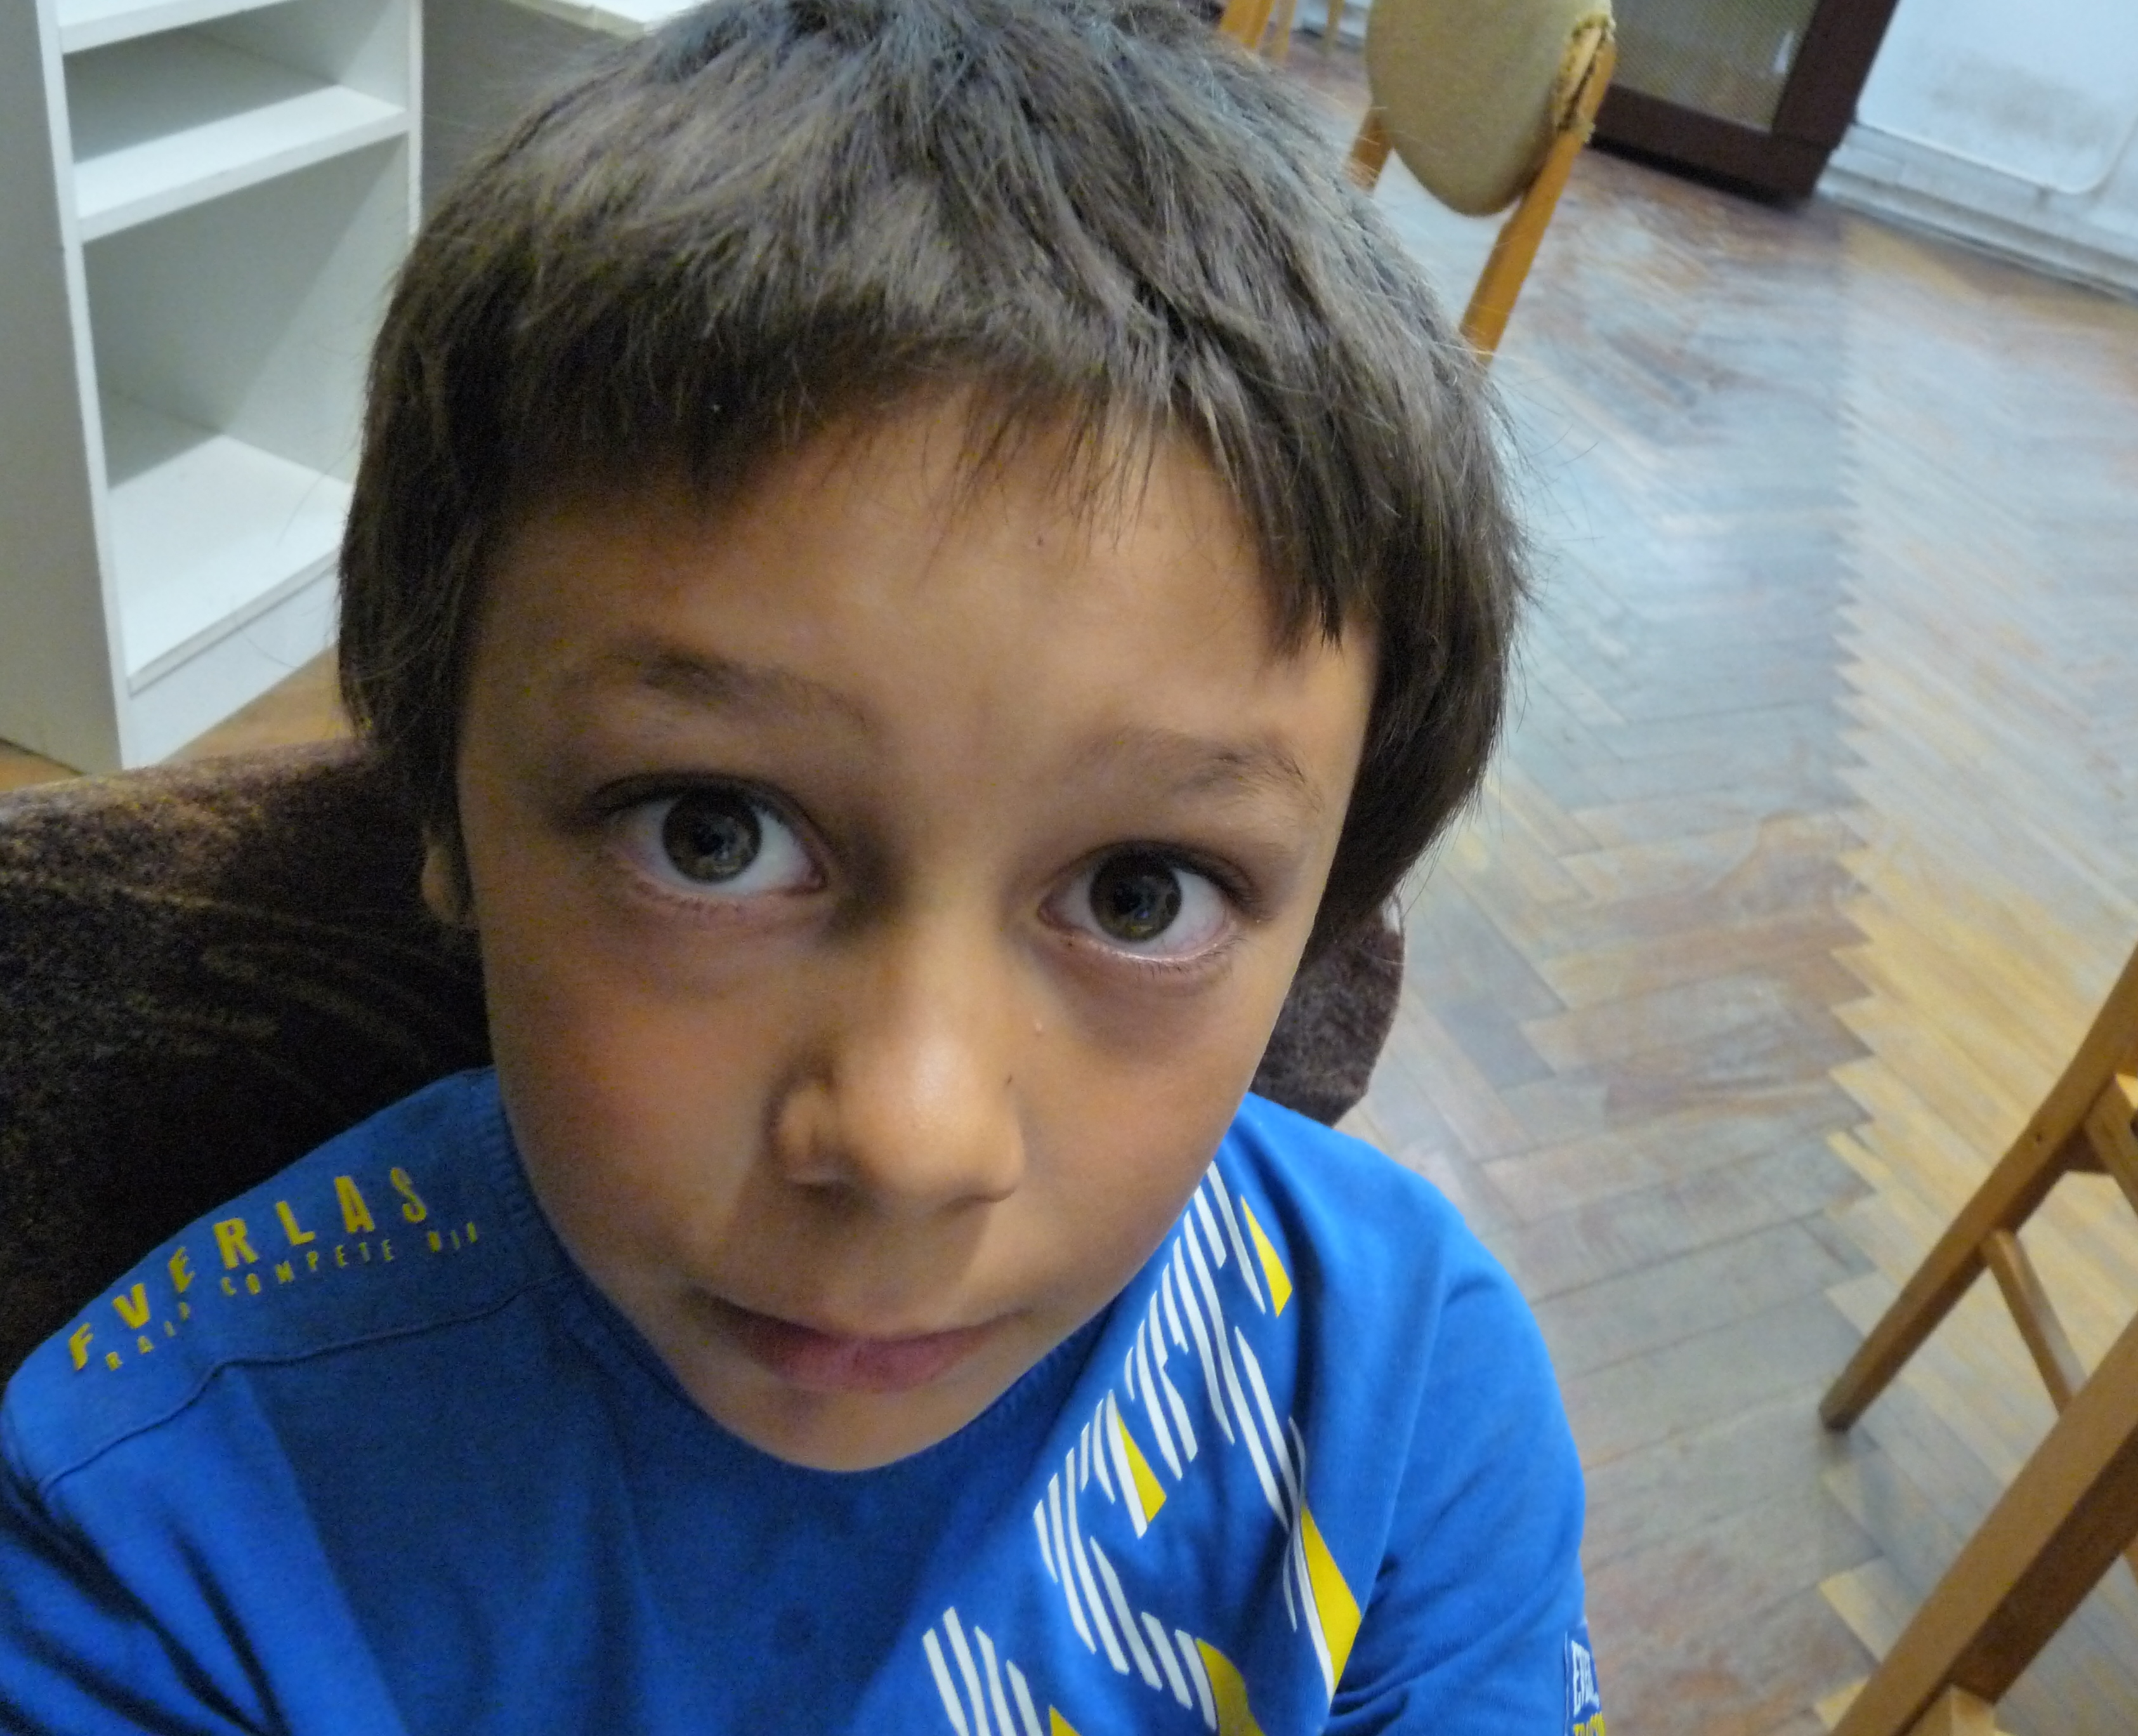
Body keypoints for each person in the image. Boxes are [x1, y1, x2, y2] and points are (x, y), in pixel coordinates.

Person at [0, 1, 1603, 1730]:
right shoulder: (160, 1545)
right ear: (446, 819)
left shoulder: (1399, 1407)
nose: (913, 1142)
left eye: (1142, 892)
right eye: (713, 835)